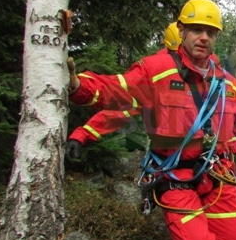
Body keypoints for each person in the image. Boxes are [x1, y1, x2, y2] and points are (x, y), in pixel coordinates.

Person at [67, 0, 236, 240]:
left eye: (210, 32)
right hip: (175, 177)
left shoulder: (227, 84)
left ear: (216, 36)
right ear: (182, 31)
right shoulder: (155, 71)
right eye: (196, 30)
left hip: (219, 178)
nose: (203, 37)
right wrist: (78, 87)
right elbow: (116, 93)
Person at [66, 22, 184, 159]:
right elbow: (118, 96)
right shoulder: (156, 71)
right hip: (168, 165)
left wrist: (83, 134)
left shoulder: (209, 70)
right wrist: (80, 87)